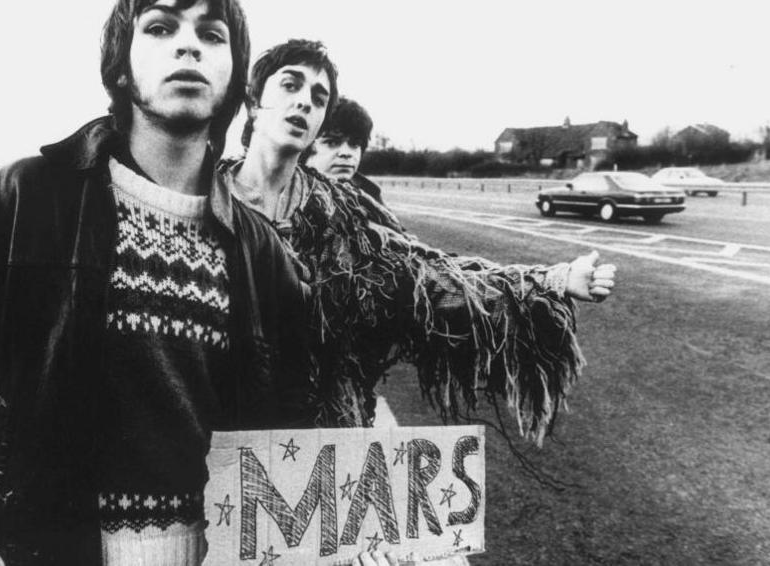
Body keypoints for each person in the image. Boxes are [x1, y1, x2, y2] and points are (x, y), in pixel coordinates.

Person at [0, 2, 314, 565]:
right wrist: (19, 532)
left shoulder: (261, 250)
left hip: (216, 552)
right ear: (121, 65)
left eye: (212, 35)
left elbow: (284, 412)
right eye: (161, 27)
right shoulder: (17, 200)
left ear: (236, 77)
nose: (188, 46)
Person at [221, 39, 617, 440]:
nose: (305, 102)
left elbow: (430, 280)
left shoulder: (345, 215)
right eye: (291, 85)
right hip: (215, 441)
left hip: (327, 442)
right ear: (254, 103)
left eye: (318, 98)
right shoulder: (201, 200)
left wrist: (553, 281)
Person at [302, 96, 384, 203]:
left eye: (354, 143)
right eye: (332, 142)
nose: (346, 153)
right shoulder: (282, 200)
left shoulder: (372, 201)